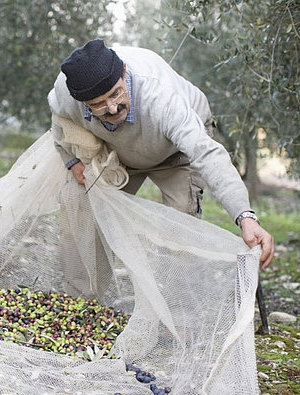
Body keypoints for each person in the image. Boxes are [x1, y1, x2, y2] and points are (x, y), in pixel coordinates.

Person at [48, 39, 274, 269]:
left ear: (124, 72)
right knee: (87, 218)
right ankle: (84, 299)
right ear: (82, 101)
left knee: (179, 236)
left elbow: (207, 155)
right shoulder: (65, 94)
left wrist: (245, 216)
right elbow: (58, 118)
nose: (113, 108)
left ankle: (176, 301)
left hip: (176, 154)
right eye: (99, 104)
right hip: (120, 154)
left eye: (116, 93)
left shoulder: (161, 99)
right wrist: (71, 159)